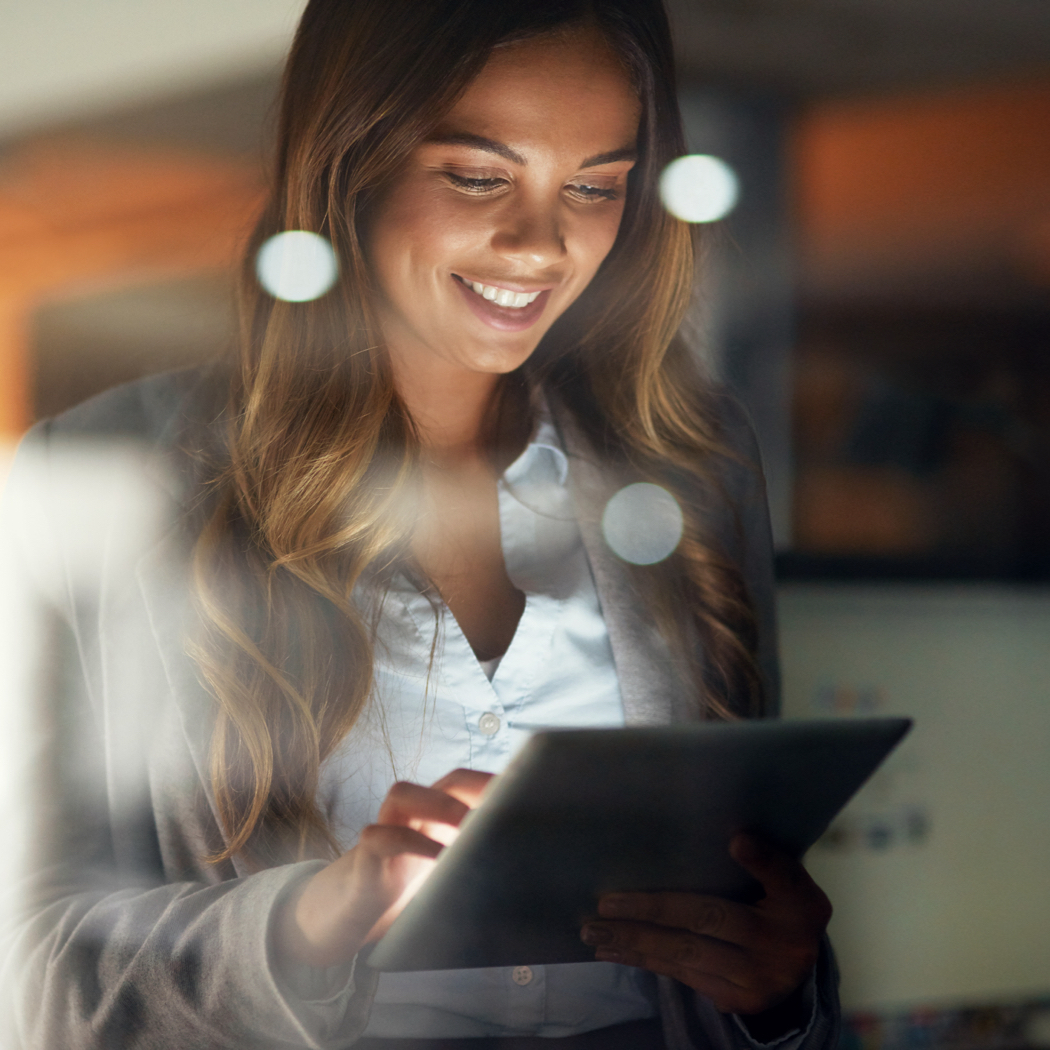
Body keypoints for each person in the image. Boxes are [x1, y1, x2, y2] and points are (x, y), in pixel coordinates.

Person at [0, 1, 839, 1047]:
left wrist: (777, 995)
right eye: (477, 176)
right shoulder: (109, 479)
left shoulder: (698, 466)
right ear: (347, 162)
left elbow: (749, 905)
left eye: (595, 185)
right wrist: (313, 921)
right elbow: (30, 976)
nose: (541, 243)